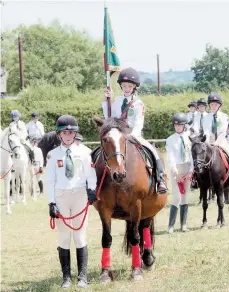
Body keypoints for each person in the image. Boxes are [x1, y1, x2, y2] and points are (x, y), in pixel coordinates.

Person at [46, 115, 97, 289]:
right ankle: (66, 277)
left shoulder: (84, 152)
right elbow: (50, 181)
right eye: (64, 132)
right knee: (64, 237)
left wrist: (92, 190)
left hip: (79, 196)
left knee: (80, 235)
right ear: (59, 135)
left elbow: (91, 175)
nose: (68, 135)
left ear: (75, 134)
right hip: (61, 196)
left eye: (71, 132)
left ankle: (82, 276)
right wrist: (51, 203)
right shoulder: (52, 155)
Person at [101, 67, 168, 194]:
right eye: (124, 85)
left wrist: (132, 135)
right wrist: (106, 100)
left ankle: (160, 180)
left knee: (153, 151)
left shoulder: (138, 103)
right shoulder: (117, 101)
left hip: (133, 134)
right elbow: (109, 118)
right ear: (121, 86)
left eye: (129, 86)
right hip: (119, 134)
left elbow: (139, 122)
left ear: (134, 87)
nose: (127, 88)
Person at [203, 92, 229, 187]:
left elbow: (223, 132)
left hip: (221, 141)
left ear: (219, 105)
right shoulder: (206, 117)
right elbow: (206, 131)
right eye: (212, 104)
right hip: (209, 141)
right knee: (198, 157)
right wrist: (207, 143)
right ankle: (196, 180)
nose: (213, 106)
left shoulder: (224, 116)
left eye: (216, 104)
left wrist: (217, 142)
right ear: (209, 105)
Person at [166, 112, 194, 234]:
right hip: (176, 169)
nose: (177, 127)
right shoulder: (170, 139)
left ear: (184, 126)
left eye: (180, 125)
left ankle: (183, 224)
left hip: (187, 168)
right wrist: (175, 172)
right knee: (177, 196)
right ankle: (171, 226)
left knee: (185, 196)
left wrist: (191, 171)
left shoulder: (190, 138)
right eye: (175, 125)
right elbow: (170, 156)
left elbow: (193, 155)